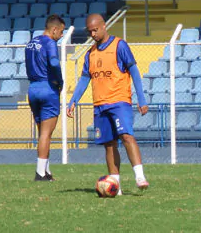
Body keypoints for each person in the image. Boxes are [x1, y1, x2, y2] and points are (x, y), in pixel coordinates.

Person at [67, 14, 150, 192]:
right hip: (100, 105)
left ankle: (140, 176)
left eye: (95, 30)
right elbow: (84, 79)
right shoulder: (90, 53)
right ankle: (115, 185)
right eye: (90, 31)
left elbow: (134, 71)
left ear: (104, 26)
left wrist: (141, 99)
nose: (93, 34)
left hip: (119, 101)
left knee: (127, 136)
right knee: (109, 144)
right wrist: (73, 100)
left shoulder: (119, 46)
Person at [25, 14, 66, 181]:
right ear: (54, 29)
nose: (62, 35)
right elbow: (54, 63)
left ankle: (46, 172)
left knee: (42, 133)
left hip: (33, 89)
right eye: (61, 32)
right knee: (46, 134)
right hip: (47, 88)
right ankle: (40, 173)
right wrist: (60, 81)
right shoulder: (50, 43)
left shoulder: (31, 42)